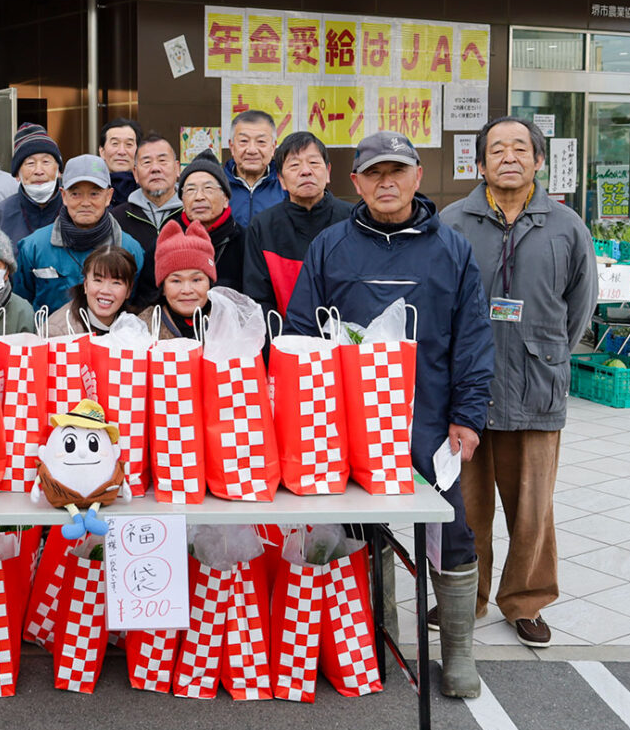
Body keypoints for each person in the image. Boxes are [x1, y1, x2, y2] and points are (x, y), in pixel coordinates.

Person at [286, 130, 494, 700]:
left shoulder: (451, 249)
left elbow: (474, 339)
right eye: (374, 173)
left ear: (417, 177)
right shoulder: (330, 245)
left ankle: (458, 652)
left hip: (430, 419)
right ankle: (379, 638)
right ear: (355, 183)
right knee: (362, 531)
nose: (386, 183)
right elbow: (301, 333)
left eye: (397, 171)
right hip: (345, 424)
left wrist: (467, 415)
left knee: (451, 529)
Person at [441, 115, 597, 648]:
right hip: (467, 392)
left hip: (536, 387)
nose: (509, 157)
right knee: (466, 506)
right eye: (497, 149)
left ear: (538, 160)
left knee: (532, 508)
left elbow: (580, 307)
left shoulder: (566, 225)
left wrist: (545, 353)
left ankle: (526, 601)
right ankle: (465, 596)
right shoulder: (453, 223)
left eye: (520, 148)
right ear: (479, 163)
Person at [14, 155, 144, 313]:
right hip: (50, 328)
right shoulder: (34, 246)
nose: (85, 203)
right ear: (64, 196)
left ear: (108, 196)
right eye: (76, 194)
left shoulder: (130, 249)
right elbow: (21, 305)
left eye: (94, 194)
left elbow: (135, 306)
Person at [244, 131, 354, 315]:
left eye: (314, 163)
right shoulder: (262, 227)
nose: (306, 171)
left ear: (328, 172)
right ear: (281, 180)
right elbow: (258, 300)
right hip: (283, 332)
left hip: (344, 331)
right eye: (294, 165)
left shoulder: (353, 221)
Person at [111, 133, 182, 307]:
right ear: (135, 173)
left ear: (177, 168)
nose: (155, 168)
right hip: (133, 314)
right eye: (147, 162)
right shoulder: (117, 218)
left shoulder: (192, 214)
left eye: (162, 161)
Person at [0, 123, 64, 248]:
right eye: (30, 163)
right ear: (17, 174)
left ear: (59, 171)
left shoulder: (72, 209)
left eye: (46, 162)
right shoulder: (0, 215)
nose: (39, 171)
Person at [138, 219, 216, 340]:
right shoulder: (141, 327)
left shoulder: (228, 323)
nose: (187, 290)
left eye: (196, 280)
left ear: (209, 283)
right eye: (176, 281)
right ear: (163, 288)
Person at [178, 151, 244, 291]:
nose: (199, 197)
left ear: (225, 199)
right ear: (182, 200)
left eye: (208, 188)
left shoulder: (245, 241)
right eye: (190, 190)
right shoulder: (170, 239)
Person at [48, 246, 139, 336]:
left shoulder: (136, 326)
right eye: (98, 280)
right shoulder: (58, 332)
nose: (105, 290)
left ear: (129, 290)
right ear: (85, 284)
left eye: (116, 283)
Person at [224, 110, 285, 226]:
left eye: (261, 141)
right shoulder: (217, 186)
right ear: (232, 147)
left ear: (273, 148)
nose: (252, 150)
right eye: (244, 141)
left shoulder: (287, 186)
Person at [99, 117, 142, 200]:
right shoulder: (91, 192)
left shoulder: (148, 193)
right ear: (102, 152)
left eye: (129, 144)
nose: (122, 151)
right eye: (115, 143)